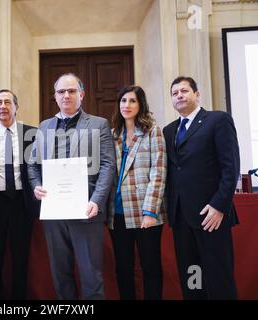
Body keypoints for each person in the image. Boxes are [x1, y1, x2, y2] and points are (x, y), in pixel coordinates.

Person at [28, 73, 116, 299]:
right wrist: (36, 186)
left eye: (71, 91)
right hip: (54, 212)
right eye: (61, 92)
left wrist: (96, 200)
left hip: (86, 210)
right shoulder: (44, 126)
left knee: (91, 274)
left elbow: (108, 165)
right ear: (55, 96)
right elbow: (33, 165)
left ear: (82, 95)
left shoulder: (99, 124)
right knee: (60, 273)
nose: (66, 95)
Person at [163, 76, 240, 300]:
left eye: (184, 91)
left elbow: (231, 167)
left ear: (197, 94)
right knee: (192, 278)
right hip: (181, 219)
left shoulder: (218, 120)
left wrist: (219, 206)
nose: (179, 95)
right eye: (175, 93)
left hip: (211, 216)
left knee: (218, 277)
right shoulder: (169, 131)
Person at [0, 89, 40, 299]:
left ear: (16, 107)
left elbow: (39, 167)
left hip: (22, 203)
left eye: (8, 102)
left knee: (21, 259)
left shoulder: (32, 134)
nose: (3, 106)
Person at [108, 85, 167, 300]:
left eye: (132, 101)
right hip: (117, 212)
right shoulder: (113, 133)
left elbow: (158, 172)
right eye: (123, 101)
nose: (127, 105)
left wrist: (150, 212)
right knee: (123, 268)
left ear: (140, 104)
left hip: (145, 213)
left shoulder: (153, 131)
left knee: (150, 267)